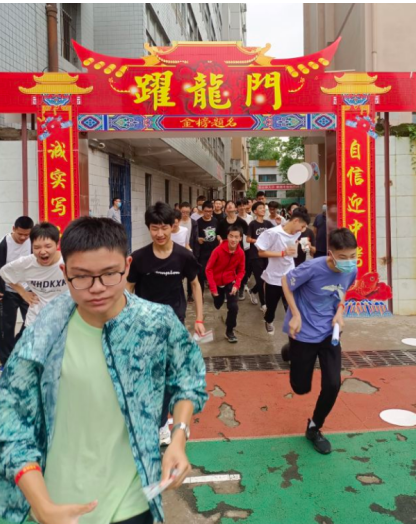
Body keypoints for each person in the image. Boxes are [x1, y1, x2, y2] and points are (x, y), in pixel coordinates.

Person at [0, 216, 207, 524]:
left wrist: (178, 435)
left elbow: (188, 376)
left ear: (127, 265)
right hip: (58, 505)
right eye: (81, 277)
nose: (97, 289)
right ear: (64, 272)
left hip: (133, 503)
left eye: (110, 274)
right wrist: (40, 502)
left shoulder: (155, 322)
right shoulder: (45, 330)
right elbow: (10, 415)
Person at [126, 202, 205, 447]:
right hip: (145, 324)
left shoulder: (184, 256)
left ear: (173, 226)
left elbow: (195, 285)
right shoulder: (139, 258)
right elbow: (128, 289)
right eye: (154, 228)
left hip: (174, 323)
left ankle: (161, 423)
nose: (159, 233)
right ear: (148, 228)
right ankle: (149, 416)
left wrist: (199, 319)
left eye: (164, 228)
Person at [281, 228, 358, 455]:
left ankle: (314, 428)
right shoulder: (312, 268)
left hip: (329, 333)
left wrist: (340, 311)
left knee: (333, 384)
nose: (349, 261)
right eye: (343, 257)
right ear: (331, 254)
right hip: (303, 333)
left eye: (353, 256)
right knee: (301, 388)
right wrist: (295, 314)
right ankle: (290, 351)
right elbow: (286, 282)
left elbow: (343, 292)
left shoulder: (351, 269)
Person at [0, 222, 67, 336]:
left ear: (57, 244)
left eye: (48, 246)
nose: (42, 251)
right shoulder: (26, 263)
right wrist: (23, 293)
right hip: (35, 322)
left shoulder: (69, 261)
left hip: (64, 319)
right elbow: (4, 273)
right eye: (36, 247)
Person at [255, 208, 310, 335]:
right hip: (274, 277)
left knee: (291, 306)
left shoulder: (297, 233)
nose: (302, 230)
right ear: (296, 221)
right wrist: (282, 253)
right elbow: (261, 253)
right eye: (302, 226)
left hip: (290, 274)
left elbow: (298, 244)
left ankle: (294, 329)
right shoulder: (272, 233)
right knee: (271, 307)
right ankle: (269, 320)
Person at [0, 216, 34, 367]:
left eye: (27, 235)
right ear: (13, 229)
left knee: (31, 323)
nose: (23, 238)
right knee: (7, 326)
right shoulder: (4, 244)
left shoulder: (33, 242)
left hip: (28, 290)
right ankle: (6, 360)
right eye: (20, 234)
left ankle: (17, 350)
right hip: (9, 291)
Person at [206, 225, 245, 343]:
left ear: (240, 238)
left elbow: (241, 270)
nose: (233, 239)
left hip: (230, 281)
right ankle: (218, 298)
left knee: (233, 307)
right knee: (218, 304)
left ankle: (230, 331)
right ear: (227, 236)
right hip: (216, 282)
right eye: (231, 236)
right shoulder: (217, 251)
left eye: (236, 237)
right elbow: (208, 269)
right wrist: (213, 288)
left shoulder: (240, 253)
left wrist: (237, 285)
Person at [246, 202, 273, 311]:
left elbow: (275, 235)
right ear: (255, 211)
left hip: (267, 254)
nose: (263, 209)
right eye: (260, 208)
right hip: (255, 255)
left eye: (263, 208)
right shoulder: (252, 224)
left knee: (266, 278)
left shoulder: (268, 223)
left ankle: (253, 290)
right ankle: (263, 304)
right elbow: (248, 239)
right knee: (260, 280)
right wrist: (259, 241)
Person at [179, 202, 200, 303]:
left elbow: (195, 239)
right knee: (179, 275)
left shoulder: (194, 222)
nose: (185, 214)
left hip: (190, 251)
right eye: (183, 212)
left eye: (187, 212)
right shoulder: (176, 222)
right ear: (179, 211)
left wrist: (195, 254)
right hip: (178, 252)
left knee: (190, 274)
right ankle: (178, 293)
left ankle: (190, 294)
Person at [197, 201, 219, 293]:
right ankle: (200, 294)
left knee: (215, 272)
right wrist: (198, 239)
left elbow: (218, 233)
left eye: (210, 211)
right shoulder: (198, 222)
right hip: (203, 251)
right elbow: (194, 236)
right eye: (206, 211)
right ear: (202, 210)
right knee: (201, 273)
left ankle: (215, 292)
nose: (208, 213)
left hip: (214, 250)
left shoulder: (215, 221)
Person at [236, 198, 253, 300]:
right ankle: (237, 286)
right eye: (239, 206)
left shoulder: (251, 218)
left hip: (248, 247)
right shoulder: (234, 218)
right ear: (237, 207)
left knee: (246, 268)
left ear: (247, 206)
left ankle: (242, 285)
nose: (242, 207)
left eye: (243, 205)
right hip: (237, 248)